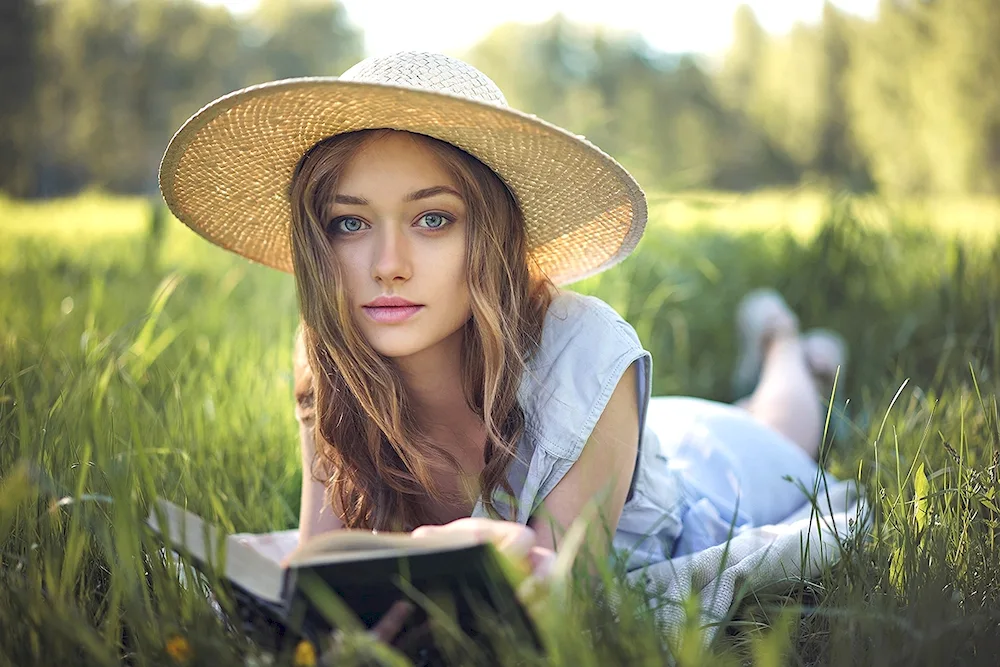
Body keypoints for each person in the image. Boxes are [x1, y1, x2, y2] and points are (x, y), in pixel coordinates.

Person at [159, 51, 846, 644]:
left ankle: (784, 342)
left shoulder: (588, 347)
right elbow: (324, 560)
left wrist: (426, 549)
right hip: (628, 437)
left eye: (433, 219)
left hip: (708, 476)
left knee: (779, 425)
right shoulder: (326, 353)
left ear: (490, 234)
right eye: (350, 222)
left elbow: (552, 597)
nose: (387, 263)